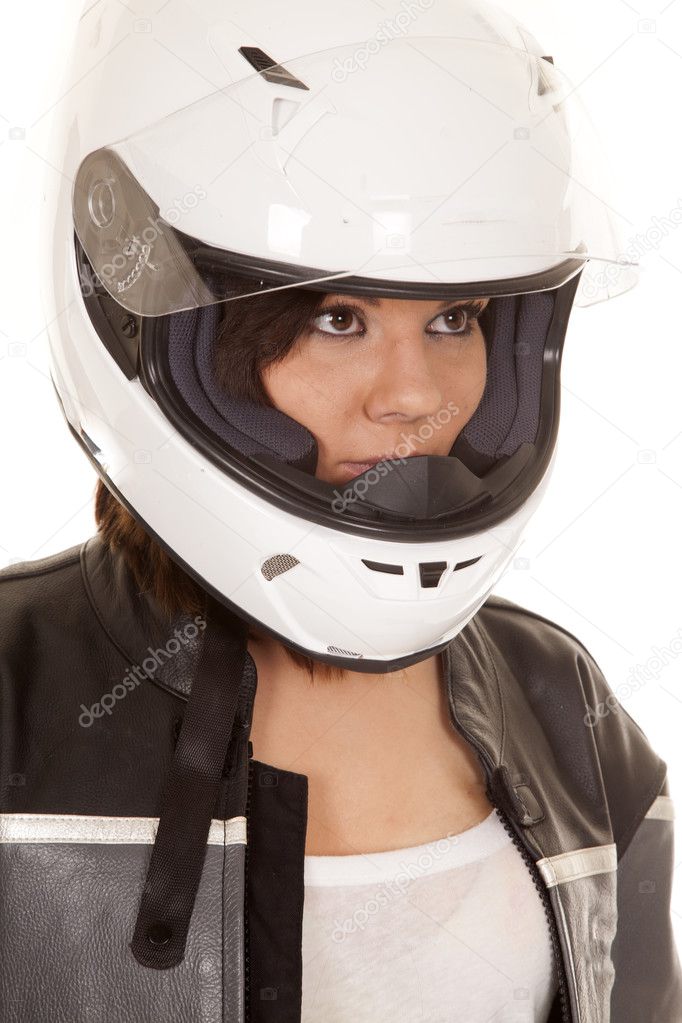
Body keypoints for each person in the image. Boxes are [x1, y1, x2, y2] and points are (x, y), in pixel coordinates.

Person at [1, 0, 680, 1021]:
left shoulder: (563, 708)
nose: (414, 395)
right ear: (157, 321)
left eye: (456, 319)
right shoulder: (15, 690)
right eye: (337, 317)